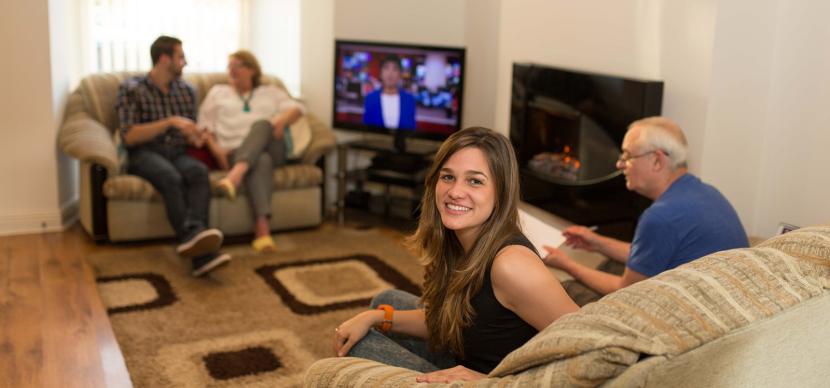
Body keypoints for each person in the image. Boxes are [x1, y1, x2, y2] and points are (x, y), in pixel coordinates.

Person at [333, 127, 579, 383]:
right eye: (448, 177)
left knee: (360, 347)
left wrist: (488, 381)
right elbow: (448, 321)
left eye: (475, 181)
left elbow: (587, 349)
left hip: (495, 382)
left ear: (501, 193)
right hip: (470, 360)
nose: (455, 192)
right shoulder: (459, 240)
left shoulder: (511, 264)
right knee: (384, 303)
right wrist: (375, 317)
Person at [543, 117, 749, 296]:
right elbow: (655, 254)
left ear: (657, 160)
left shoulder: (661, 216)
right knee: (611, 264)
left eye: (627, 156)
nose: (620, 164)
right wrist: (597, 243)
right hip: (724, 295)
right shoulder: (703, 192)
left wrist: (566, 264)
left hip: (697, 312)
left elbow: (626, 291)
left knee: (568, 288)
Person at [116, 35, 230, 277]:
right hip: (145, 152)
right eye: (180, 57)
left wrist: (197, 136)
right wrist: (169, 122)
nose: (185, 62)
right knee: (170, 178)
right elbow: (129, 136)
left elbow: (190, 135)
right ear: (164, 58)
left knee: (198, 172)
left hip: (178, 151)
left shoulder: (187, 91)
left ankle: (196, 240)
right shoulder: (132, 89)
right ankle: (200, 250)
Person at [198, 50, 306, 253]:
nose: (231, 70)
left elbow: (298, 108)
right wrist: (217, 151)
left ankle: (234, 177)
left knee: (263, 124)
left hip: (272, 147)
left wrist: (282, 120)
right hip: (232, 153)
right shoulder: (217, 92)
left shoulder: (270, 91)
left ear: (251, 69)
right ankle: (263, 230)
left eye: (236, 65)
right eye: (228, 66)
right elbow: (205, 127)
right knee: (261, 160)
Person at [362, 55, 417, 130]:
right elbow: (366, 129)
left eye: (395, 69)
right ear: (381, 73)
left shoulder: (409, 100)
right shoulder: (370, 98)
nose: (390, 73)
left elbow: (411, 129)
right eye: (386, 68)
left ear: (400, 74)